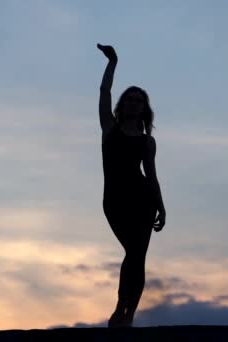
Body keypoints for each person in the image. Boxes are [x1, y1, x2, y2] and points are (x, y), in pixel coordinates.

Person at [97, 43, 166, 328]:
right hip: (115, 200)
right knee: (133, 253)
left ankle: (127, 313)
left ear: (143, 108)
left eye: (139, 100)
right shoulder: (108, 128)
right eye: (130, 99)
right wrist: (113, 62)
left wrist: (161, 205)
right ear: (122, 104)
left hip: (143, 200)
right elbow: (104, 93)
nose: (133, 103)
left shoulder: (147, 141)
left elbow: (151, 174)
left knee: (137, 255)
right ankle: (122, 306)